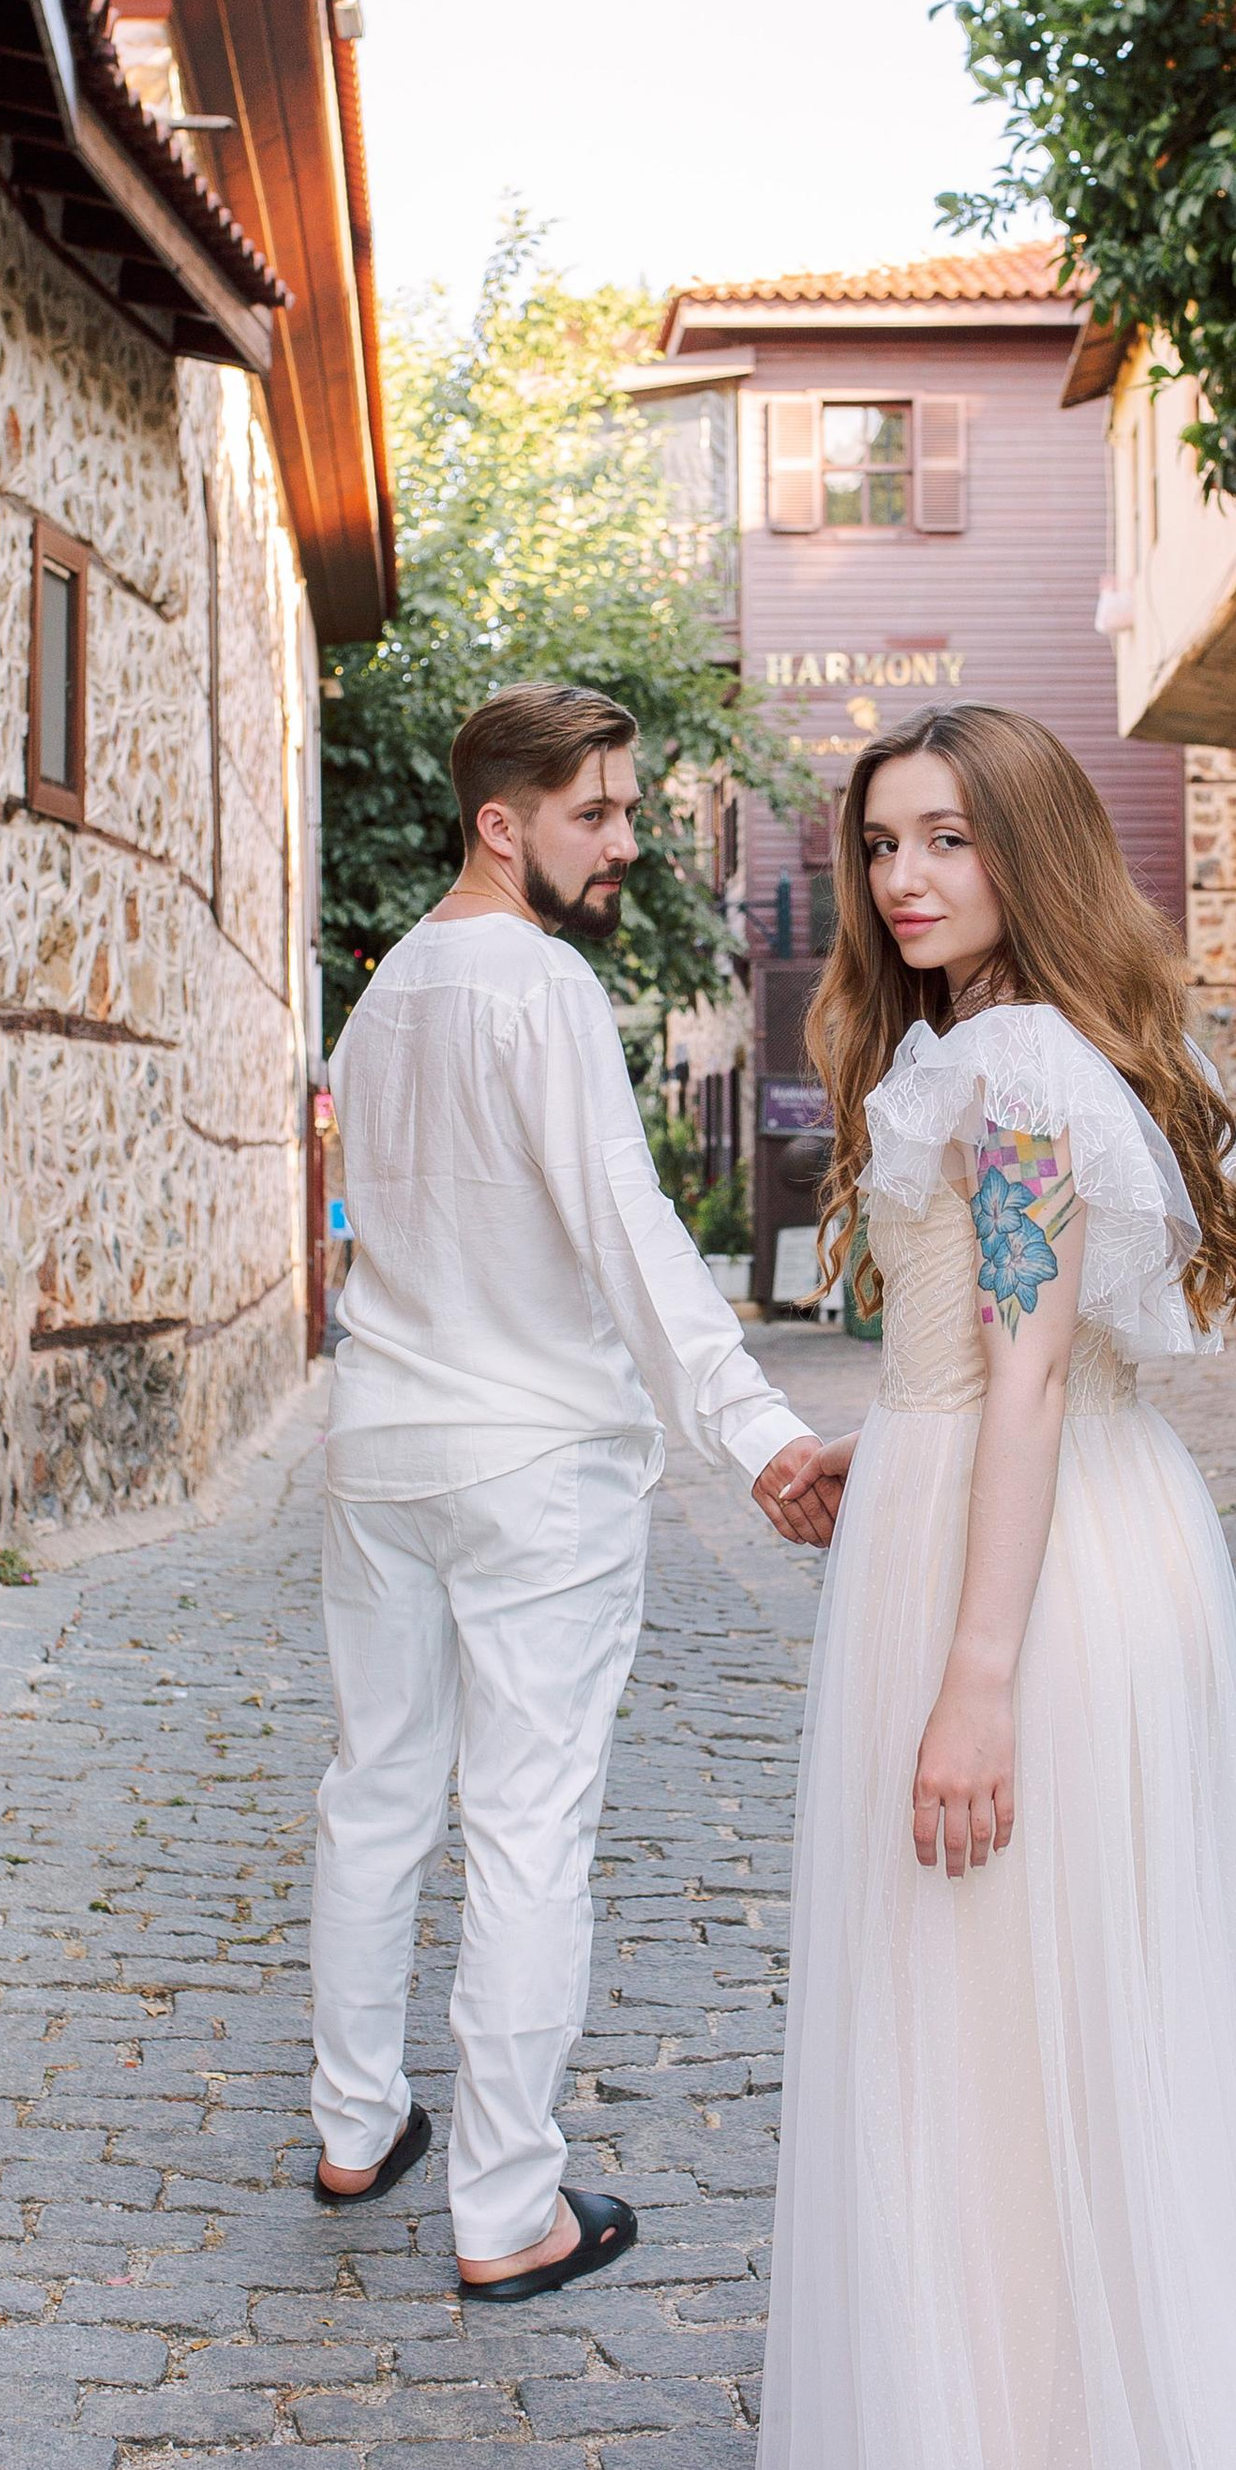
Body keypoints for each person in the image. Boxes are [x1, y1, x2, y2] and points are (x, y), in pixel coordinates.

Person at [747, 705, 1236, 2470]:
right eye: (880, 846)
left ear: (1027, 853)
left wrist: (974, 1678)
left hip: (1033, 1580)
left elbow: (1031, 1380)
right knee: (1073, 2016)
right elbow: (993, 1355)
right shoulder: (982, 1059)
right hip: (1017, 1517)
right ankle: (1193, 2466)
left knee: (1015, 2028)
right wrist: (886, 1436)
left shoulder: (1019, 1070)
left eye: (949, 839)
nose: (907, 878)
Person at [310, 683, 834, 2305]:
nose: (624, 843)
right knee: (529, 1822)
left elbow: (355, 1223)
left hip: (383, 1447)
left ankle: (352, 2127)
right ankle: (506, 2210)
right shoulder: (537, 988)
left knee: (378, 1785)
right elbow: (631, 1233)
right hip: (532, 1462)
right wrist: (756, 1436)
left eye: (623, 812)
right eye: (596, 814)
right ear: (503, 823)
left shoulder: (384, 993)